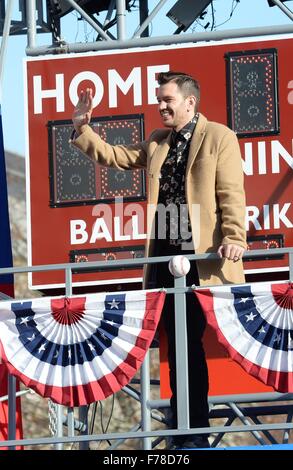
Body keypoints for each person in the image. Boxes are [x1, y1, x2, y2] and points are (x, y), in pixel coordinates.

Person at [71, 71, 246, 449]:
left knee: (190, 343)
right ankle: (179, 427)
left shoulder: (219, 137)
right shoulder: (157, 141)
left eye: (168, 99)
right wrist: (82, 128)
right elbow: (116, 157)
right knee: (174, 344)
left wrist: (234, 237)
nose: (161, 106)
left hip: (199, 258)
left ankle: (194, 431)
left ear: (189, 102)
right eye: (159, 100)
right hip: (165, 252)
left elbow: (231, 192)